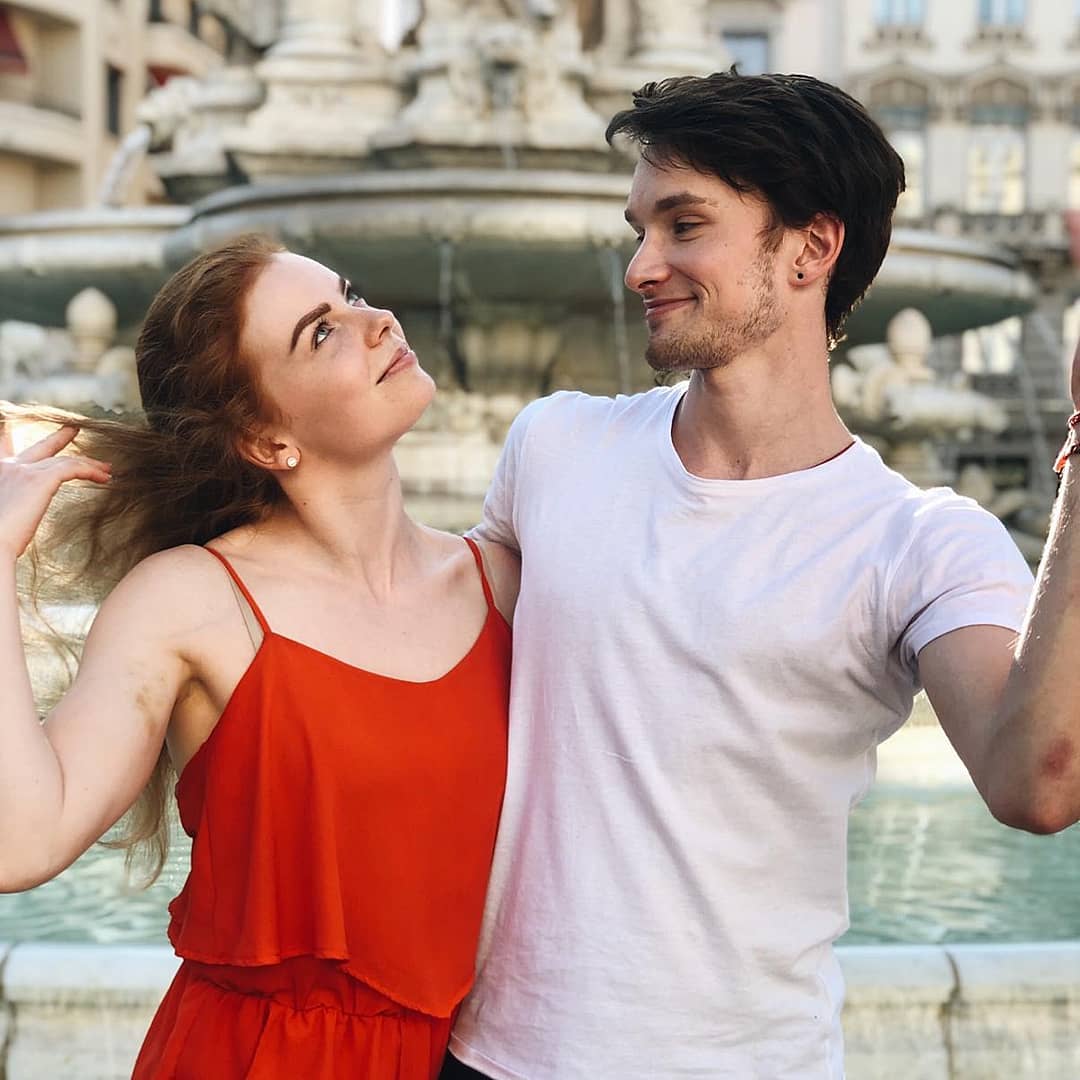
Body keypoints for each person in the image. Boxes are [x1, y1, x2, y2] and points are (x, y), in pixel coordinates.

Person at [441, 72, 1080, 1079]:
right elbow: (409, 637)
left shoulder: (919, 541)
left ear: (810, 248)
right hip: (489, 1057)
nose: (640, 267)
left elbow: (1035, 785)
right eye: (639, 230)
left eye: (685, 225)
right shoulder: (554, 445)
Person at [0, 234, 518, 1079]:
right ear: (262, 435)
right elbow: (19, 844)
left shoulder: (504, 581)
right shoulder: (191, 600)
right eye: (322, 332)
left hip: (478, 1058)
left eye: (352, 294)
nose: (379, 322)